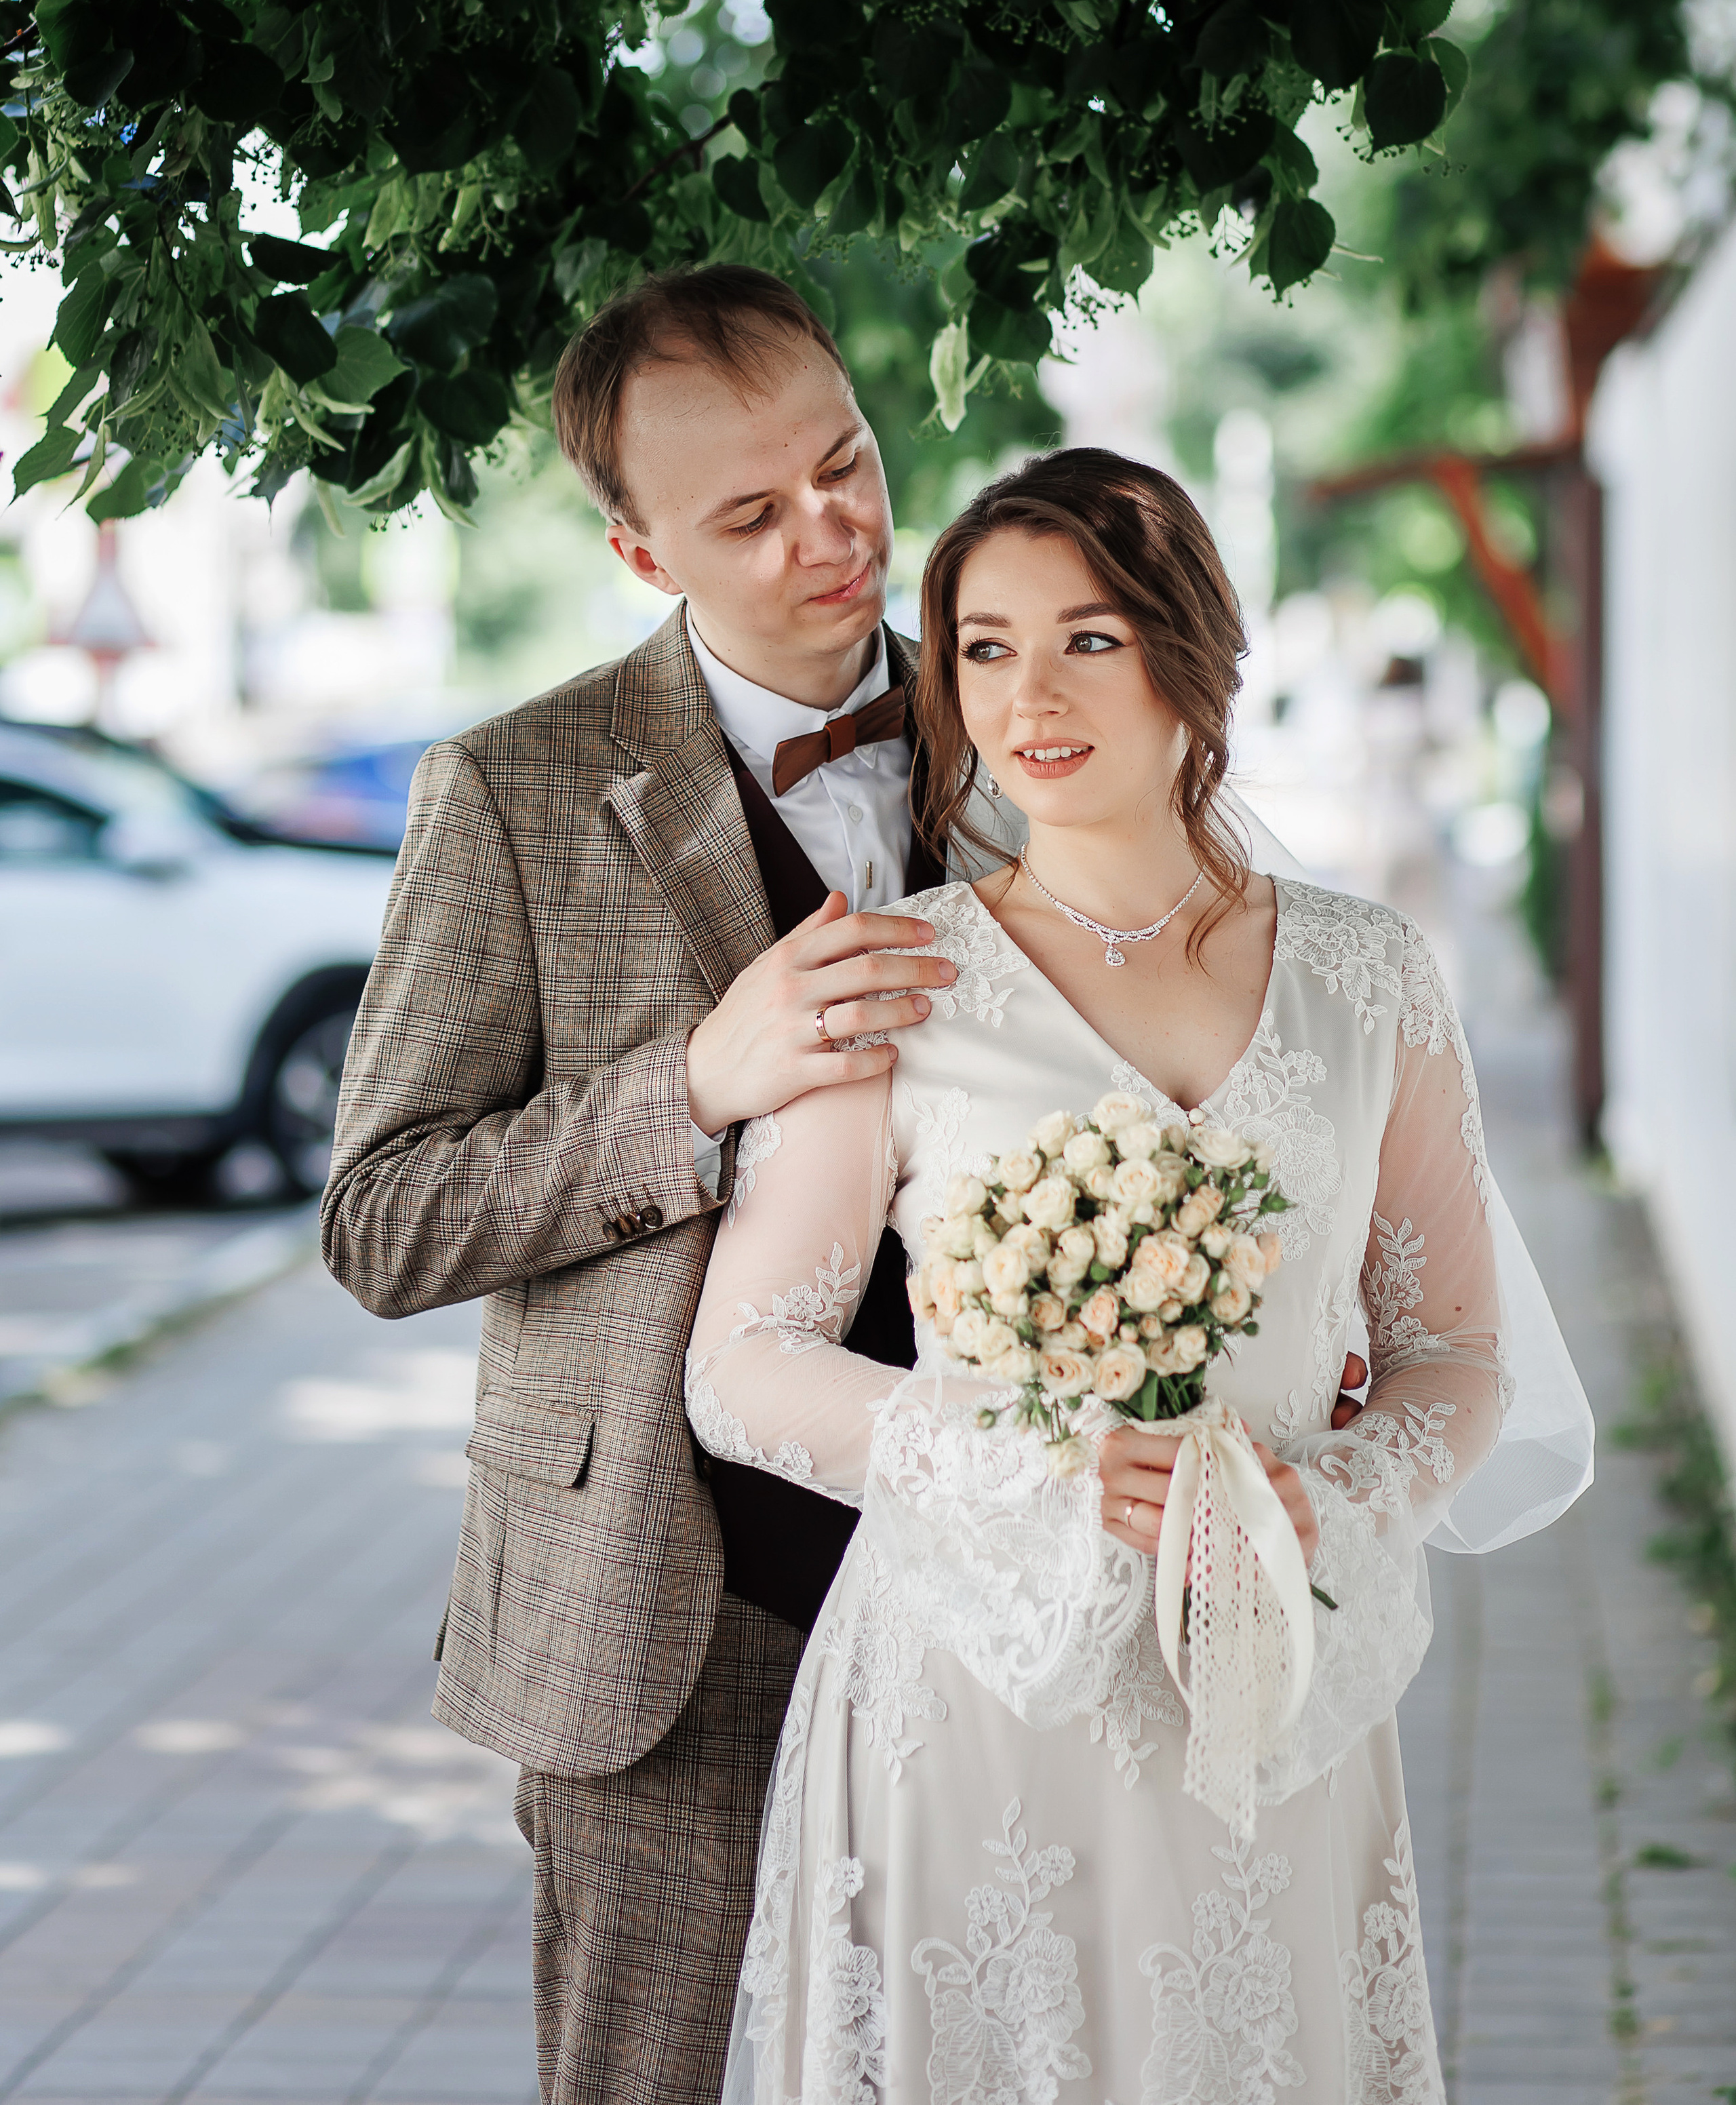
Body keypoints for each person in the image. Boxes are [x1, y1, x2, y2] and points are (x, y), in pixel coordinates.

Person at [321, 274, 1373, 2105]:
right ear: (643, 552)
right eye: (749, 516)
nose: (832, 534)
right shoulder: (510, 788)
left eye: (845, 465)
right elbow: (383, 1219)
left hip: (1025, 1595)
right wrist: (696, 1087)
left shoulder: (1027, 718)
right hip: (672, 1609)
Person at [686, 446, 1593, 2102]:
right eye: (981, 646)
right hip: (966, 1692)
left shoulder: (1366, 973)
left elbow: (1454, 1350)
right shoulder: (889, 975)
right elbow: (741, 1358)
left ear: (1192, 655)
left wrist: (1341, 1494)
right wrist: (1031, 1468)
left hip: (1268, 1695)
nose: (1028, 692)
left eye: (1087, 639)